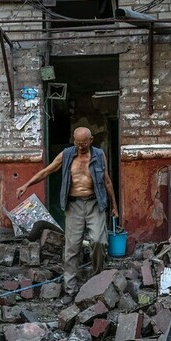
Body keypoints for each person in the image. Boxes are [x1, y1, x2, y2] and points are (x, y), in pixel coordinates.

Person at [16, 127, 118, 304]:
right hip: (74, 205)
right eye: (77, 143)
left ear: (91, 140)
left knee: (99, 241)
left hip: (95, 203)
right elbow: (47, 171)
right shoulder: (66, 154)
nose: (80, 147)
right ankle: (70, 289)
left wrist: (114, 206)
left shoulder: (99, 155)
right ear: (74, 140)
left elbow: (107, 181)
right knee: (72, 248)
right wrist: (27, 184)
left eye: (84, 143)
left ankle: (96, 279)